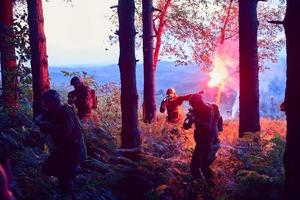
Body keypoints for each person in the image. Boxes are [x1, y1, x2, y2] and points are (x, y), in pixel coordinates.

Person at [37, 89, 87, 194]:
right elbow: (43, 116)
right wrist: (41, 122)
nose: (45, 105)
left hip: (74, 147)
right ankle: (72, 177)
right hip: (63, 147)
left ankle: (74, 185)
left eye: (47, 102)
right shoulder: (51, 112)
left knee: (65, 178)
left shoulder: (65, 111)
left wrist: (49, 127)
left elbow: (66, 130)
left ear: (54, 102)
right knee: (47, 168)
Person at [183, 93, 221, 186]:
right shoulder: (196, 111)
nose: (193, 107)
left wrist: (195, 119)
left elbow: (208, 126)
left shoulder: (208, 111)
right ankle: (201, 186)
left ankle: (212, 188)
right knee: (194, 167)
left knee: (204, 167)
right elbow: (186, 126)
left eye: (193, 105)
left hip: (210, 142)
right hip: (200, 142)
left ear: (198, 103)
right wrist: (188, 118)